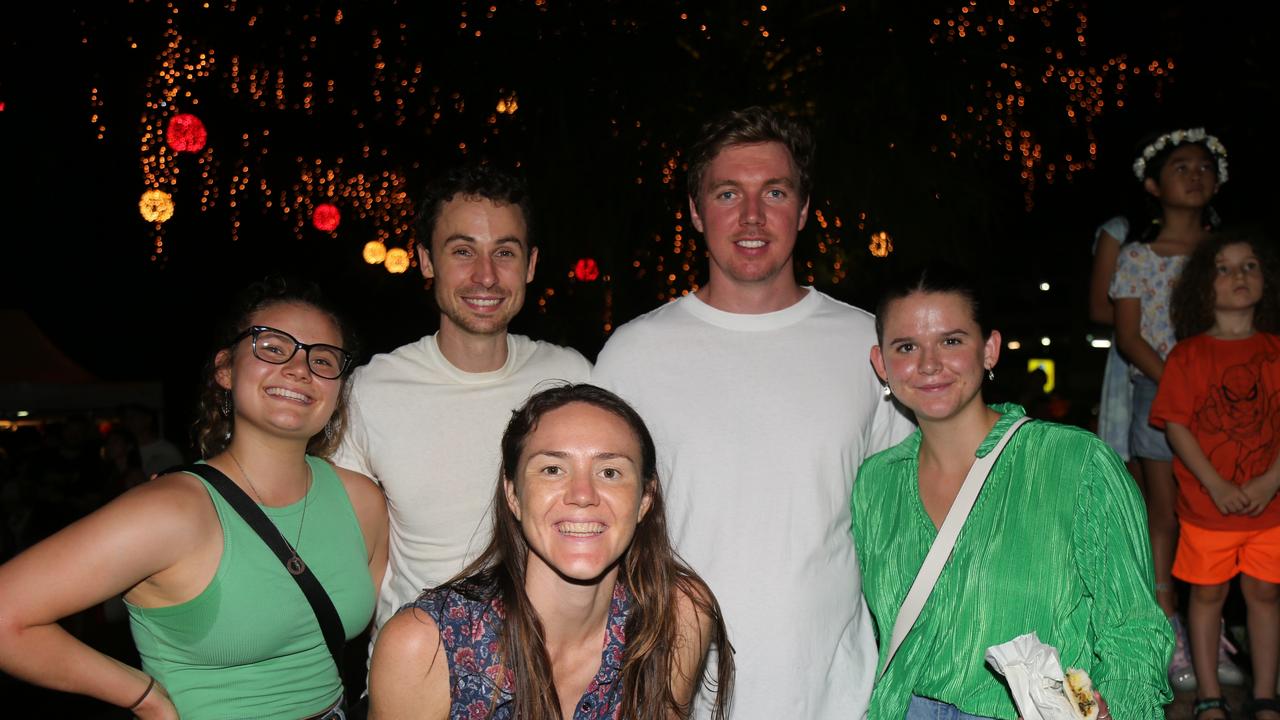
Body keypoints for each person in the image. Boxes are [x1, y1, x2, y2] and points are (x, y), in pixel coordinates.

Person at [592, 106, 914, 718]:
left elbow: (902, 518)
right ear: (694, 211)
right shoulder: (632, 356)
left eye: (774, 191)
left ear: (803, 207)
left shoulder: (866, 345)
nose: (751, 217)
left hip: (835, 698)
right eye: (726, 193)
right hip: (673, 697)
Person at [0, 277, 388, 719]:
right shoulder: (172, 511)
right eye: (273, 348)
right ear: (225, 369)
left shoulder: (362, 502)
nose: (301, 369)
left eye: (323, 359)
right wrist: (142, 696)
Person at [852, 261, 1173, 719]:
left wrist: (1121, 710)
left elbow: (1133, 626)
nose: (928, 364)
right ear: (882, 363)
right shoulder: (876, 484)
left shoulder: (1074, 463)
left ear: (989, 349)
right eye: (906, 346)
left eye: (951, 340)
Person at [333, 164, 592, 664]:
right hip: (420, 674)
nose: (486, 276)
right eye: (462, 251)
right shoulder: (371, 389)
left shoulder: (570, 377)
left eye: (505, 253)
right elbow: (341, 541)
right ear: (427, 261)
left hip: (549, 671)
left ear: (531, 264)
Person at [368, 383, 732, 719]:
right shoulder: (423, 646)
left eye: (610, 472)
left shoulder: (678, 613)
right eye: (553, 469)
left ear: (645, 499)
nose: (583, 494)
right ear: (513, 495)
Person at [1108, 126, 1232, 691]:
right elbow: (1129, 336)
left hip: (1227, 397)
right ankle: (1168, 631)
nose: (1195, 174)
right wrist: (1184, 386)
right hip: (1159, 394)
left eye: (1204, 166)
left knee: (1218, 512)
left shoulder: (1226, 256)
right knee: (1166, 513)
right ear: (1154, 185)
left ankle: (1213, 626)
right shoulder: (1137, 255)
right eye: (1181, 166)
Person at [1150, 229, 1280, 720]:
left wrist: (1270, 481)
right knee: (1207, 596)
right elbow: (1177, 427)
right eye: (1223, 268)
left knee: (1265, 595)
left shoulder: (1275, 349)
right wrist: (1219, 485)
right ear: (1204, 286)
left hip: (1270, 508)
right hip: (1208, 509)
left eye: (1250, 265)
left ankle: (1266, 695)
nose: (1239, 276)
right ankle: (1209, 695)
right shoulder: (1188, 355)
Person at [120, 403, 185, 480]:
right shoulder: (127, 450)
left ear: (148, 419)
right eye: (126, 418)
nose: (129, 421)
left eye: (133, 416)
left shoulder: (167, 450)